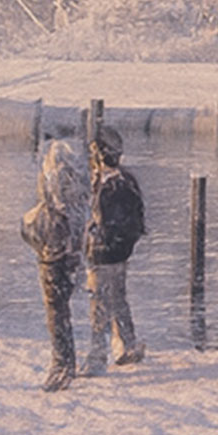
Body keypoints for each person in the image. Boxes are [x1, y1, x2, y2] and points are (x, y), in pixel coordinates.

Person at [20, 138, 89, 392]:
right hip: (70, 250)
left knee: (56, 309)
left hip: (53, 252)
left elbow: (54, 208)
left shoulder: (53, 178)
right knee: (63, 307)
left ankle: (61, 362)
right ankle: (68, 359)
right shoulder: (79, 180)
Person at [84, 125, 146, 374]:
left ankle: (98, 356)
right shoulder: (120, 182)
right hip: (113, 253)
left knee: (100, 303)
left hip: (105, 253)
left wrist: (97, 238)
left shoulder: (113, 186)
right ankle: (126, 345)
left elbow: (112, 223)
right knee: (117, 298)